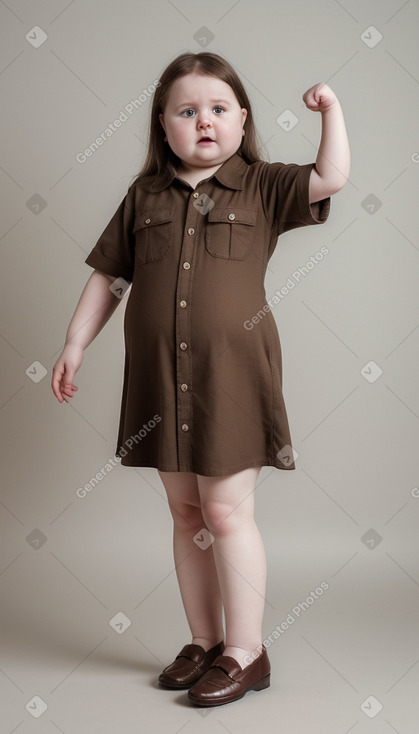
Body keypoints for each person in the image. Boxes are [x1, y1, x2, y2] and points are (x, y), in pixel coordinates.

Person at [51, 51, 350, 707]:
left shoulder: (264, 184)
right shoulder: (145, 197)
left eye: (217, 108)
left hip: (231, 376)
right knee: (186, 513)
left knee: (224, 509)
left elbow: (330, 176)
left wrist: (329, 111)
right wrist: (75, 342)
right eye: (186, 111)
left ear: (242, 119)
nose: (203, 121)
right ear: (164, 126)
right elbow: (110, 276)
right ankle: (206, 642)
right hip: (162, 379)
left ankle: (246, 650)